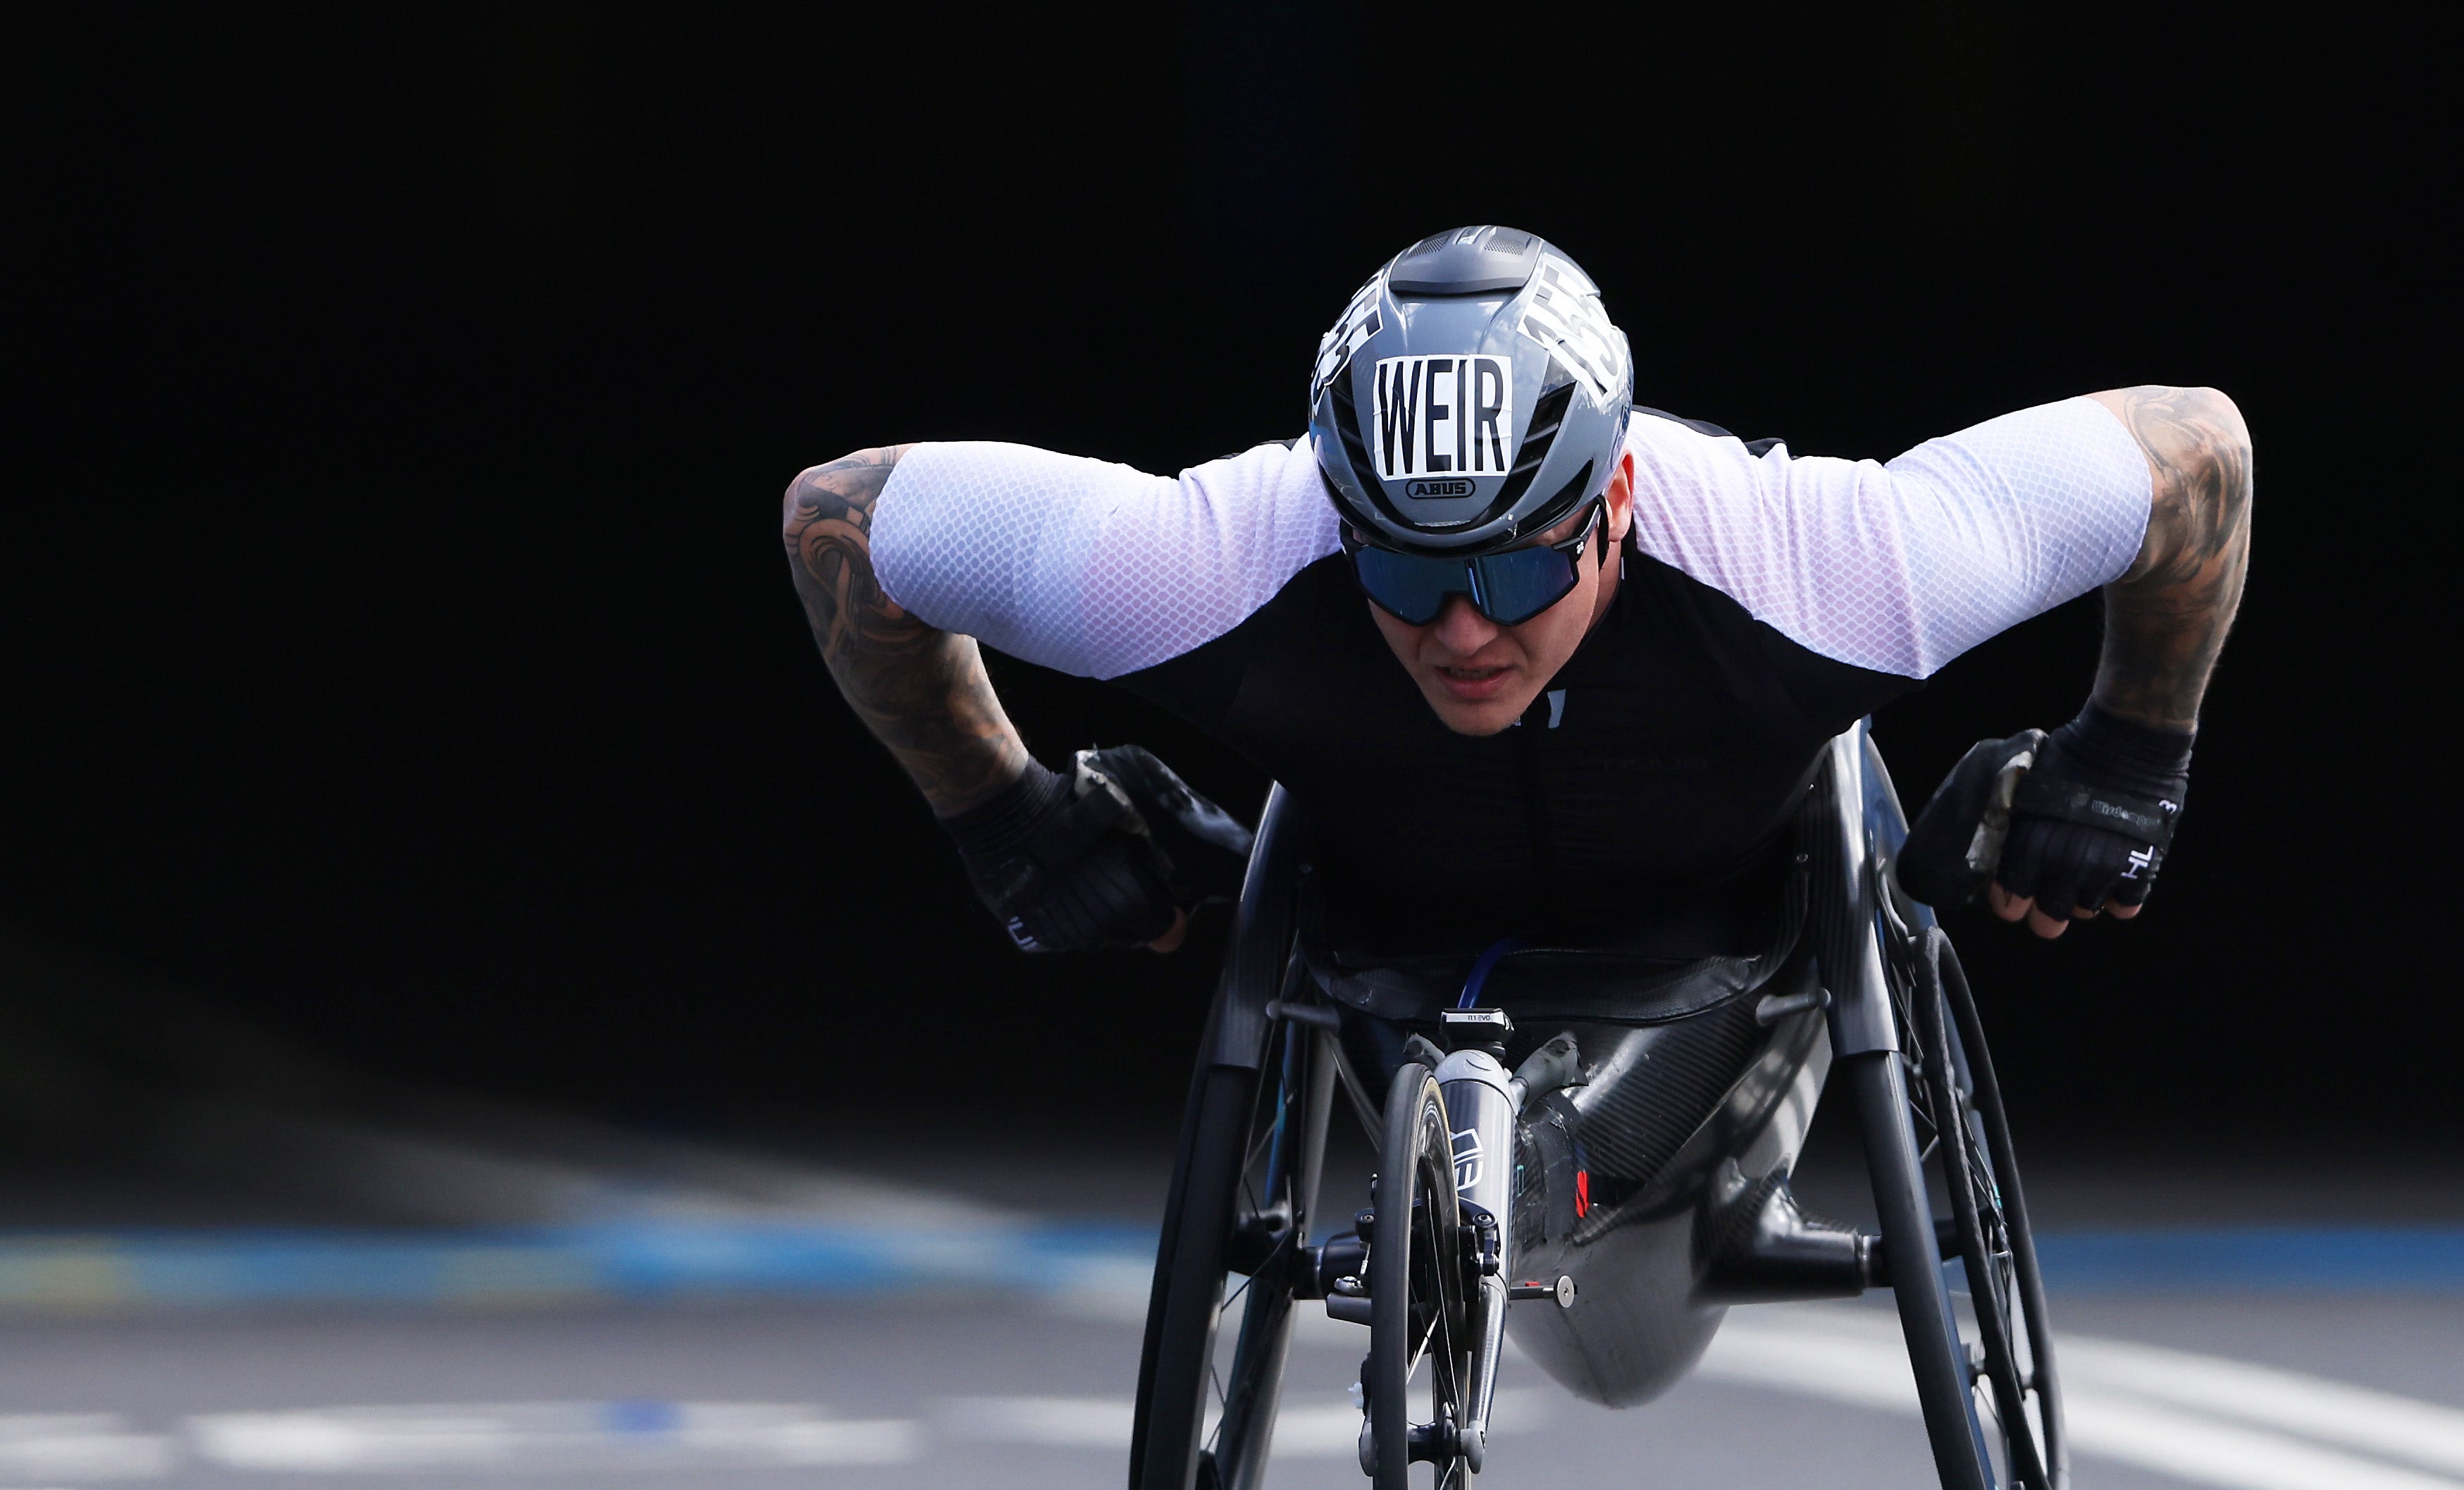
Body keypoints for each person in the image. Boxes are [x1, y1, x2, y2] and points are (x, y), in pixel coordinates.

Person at [781, 226, 2249, 982]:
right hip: (1383, 897)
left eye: (1517, 565)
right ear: (1336, 514)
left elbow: (2195, 452)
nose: (1463, 628)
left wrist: (2129, 753)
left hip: (1748, 899)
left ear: (1614, 505)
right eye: (1407, 569)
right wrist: (1004, 813)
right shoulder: (1203, 558)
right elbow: (836, 513)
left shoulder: (1833, 560)